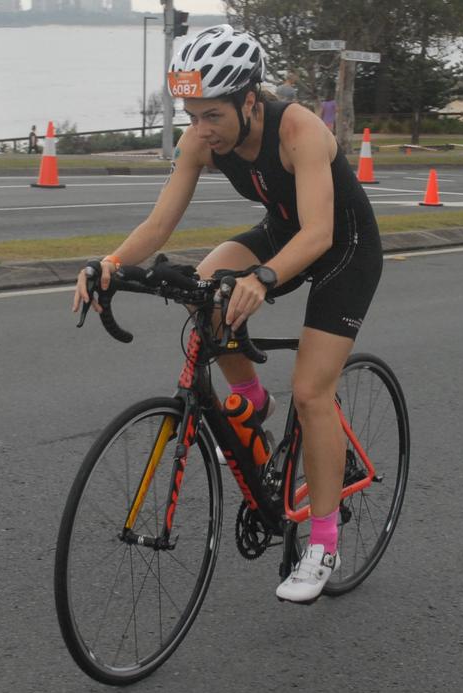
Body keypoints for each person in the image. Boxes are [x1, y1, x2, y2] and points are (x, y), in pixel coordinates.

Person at [72, 24, 383, 604]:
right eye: (192, 114)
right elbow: (160, 224)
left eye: (211, 115)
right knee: (206, 287)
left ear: (248, 99)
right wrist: (110, 262)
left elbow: (318, 233)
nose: (201, 129)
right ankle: (253, 402)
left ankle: (322, 539)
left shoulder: (299, 130)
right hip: (281, 234)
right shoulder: (202, 140)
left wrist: (264, 279)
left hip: (345, 251)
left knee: (314, 393)